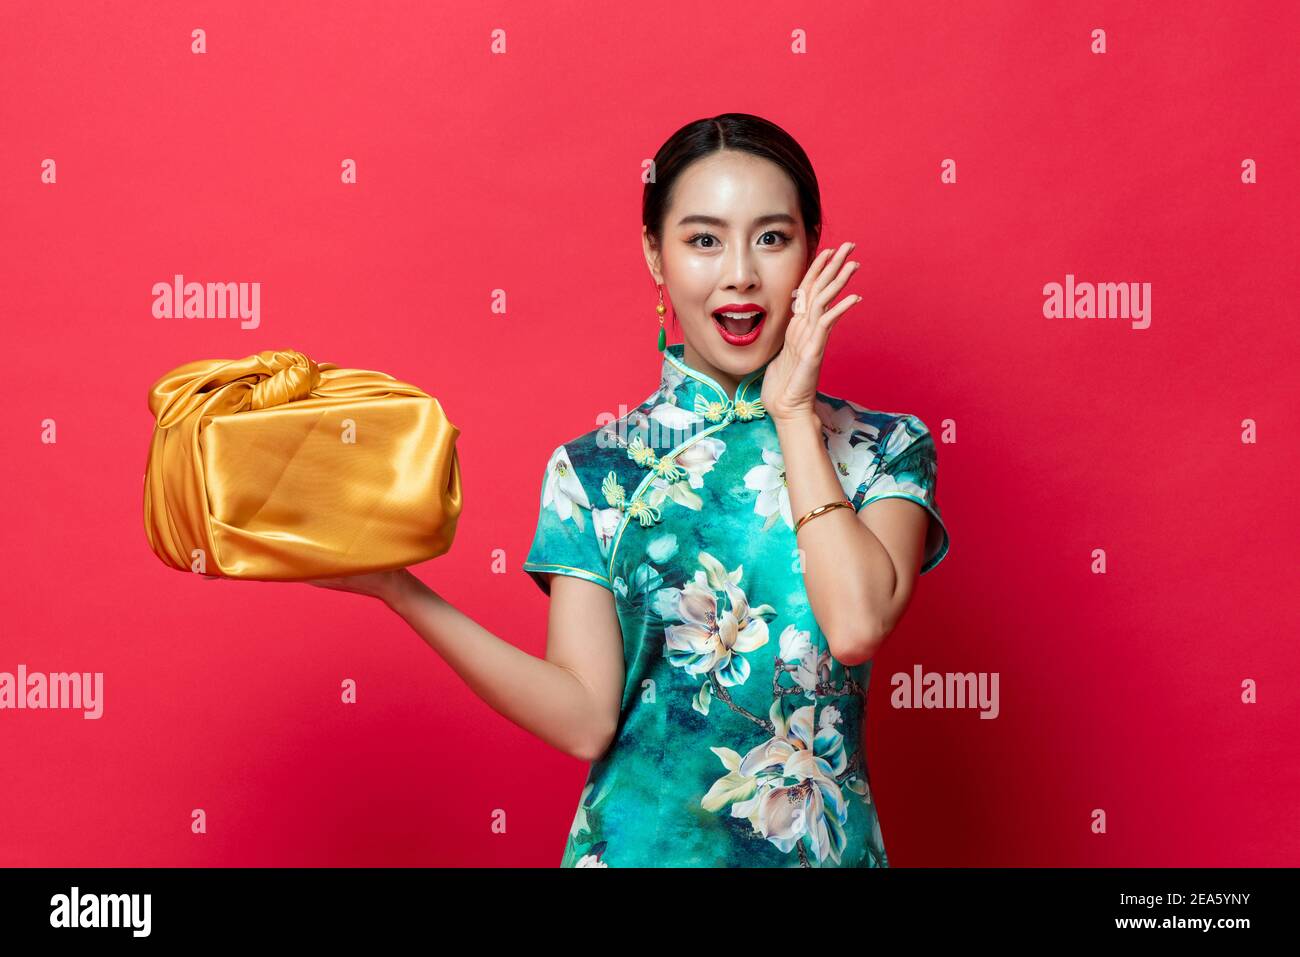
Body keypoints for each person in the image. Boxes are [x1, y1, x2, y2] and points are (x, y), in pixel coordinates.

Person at [249, 113, 950, 868]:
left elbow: (854, 625)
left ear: (812, 248)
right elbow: (586, 719)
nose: (740, 272)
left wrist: (789, 413)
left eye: (772, 238)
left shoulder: (885, 448)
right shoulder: (595, 470)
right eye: (703, 239)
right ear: (656, 254)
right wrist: (398, 588)